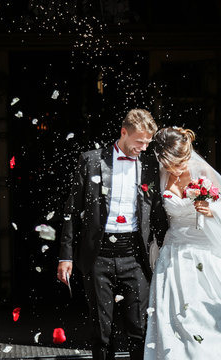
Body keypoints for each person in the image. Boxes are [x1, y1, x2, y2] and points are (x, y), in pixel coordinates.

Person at [144, 127, 221, 360]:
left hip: (205, 252)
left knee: (211, 317)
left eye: (181, 161)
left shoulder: (201, 170)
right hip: (174, 254)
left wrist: (211, 212)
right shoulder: (158, 173)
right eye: (172, 163)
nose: (178, 168)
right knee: (176, 318)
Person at [57, 109, 168, 360]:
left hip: (135, 257)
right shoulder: (91, 160)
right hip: (98, 256)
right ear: (123, 132)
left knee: (139, 328)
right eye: (138, 141)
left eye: (147, 142)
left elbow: (159, 213)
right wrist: (65, 257)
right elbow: (71, 211)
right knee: (101, 331)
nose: (142, 147)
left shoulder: (150, 165)